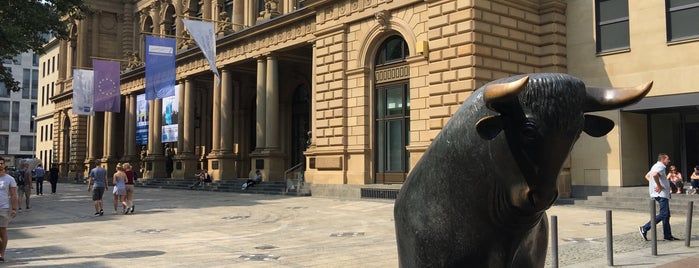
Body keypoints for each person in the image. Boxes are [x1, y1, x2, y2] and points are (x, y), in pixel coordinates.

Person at [639, 153, 680, 241]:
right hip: (661, 194)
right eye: (667, 159)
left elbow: (647, 176)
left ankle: (667, 235)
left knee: (666, 215)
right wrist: (659, 185)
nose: (669, 161)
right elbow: (654, 175)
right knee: (664, 214)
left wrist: (654, 184)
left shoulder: (655, 165)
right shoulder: (661, 166)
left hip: (660, 193)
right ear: (663, 159)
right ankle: (645, 228)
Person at [0, 157, 18, 262]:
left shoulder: (9, 179)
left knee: (2, 231)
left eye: (1, 163)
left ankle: (1, 254)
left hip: (3, 208)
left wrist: (14, 208)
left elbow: (13, 194)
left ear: (4, 165)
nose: (0, 165)